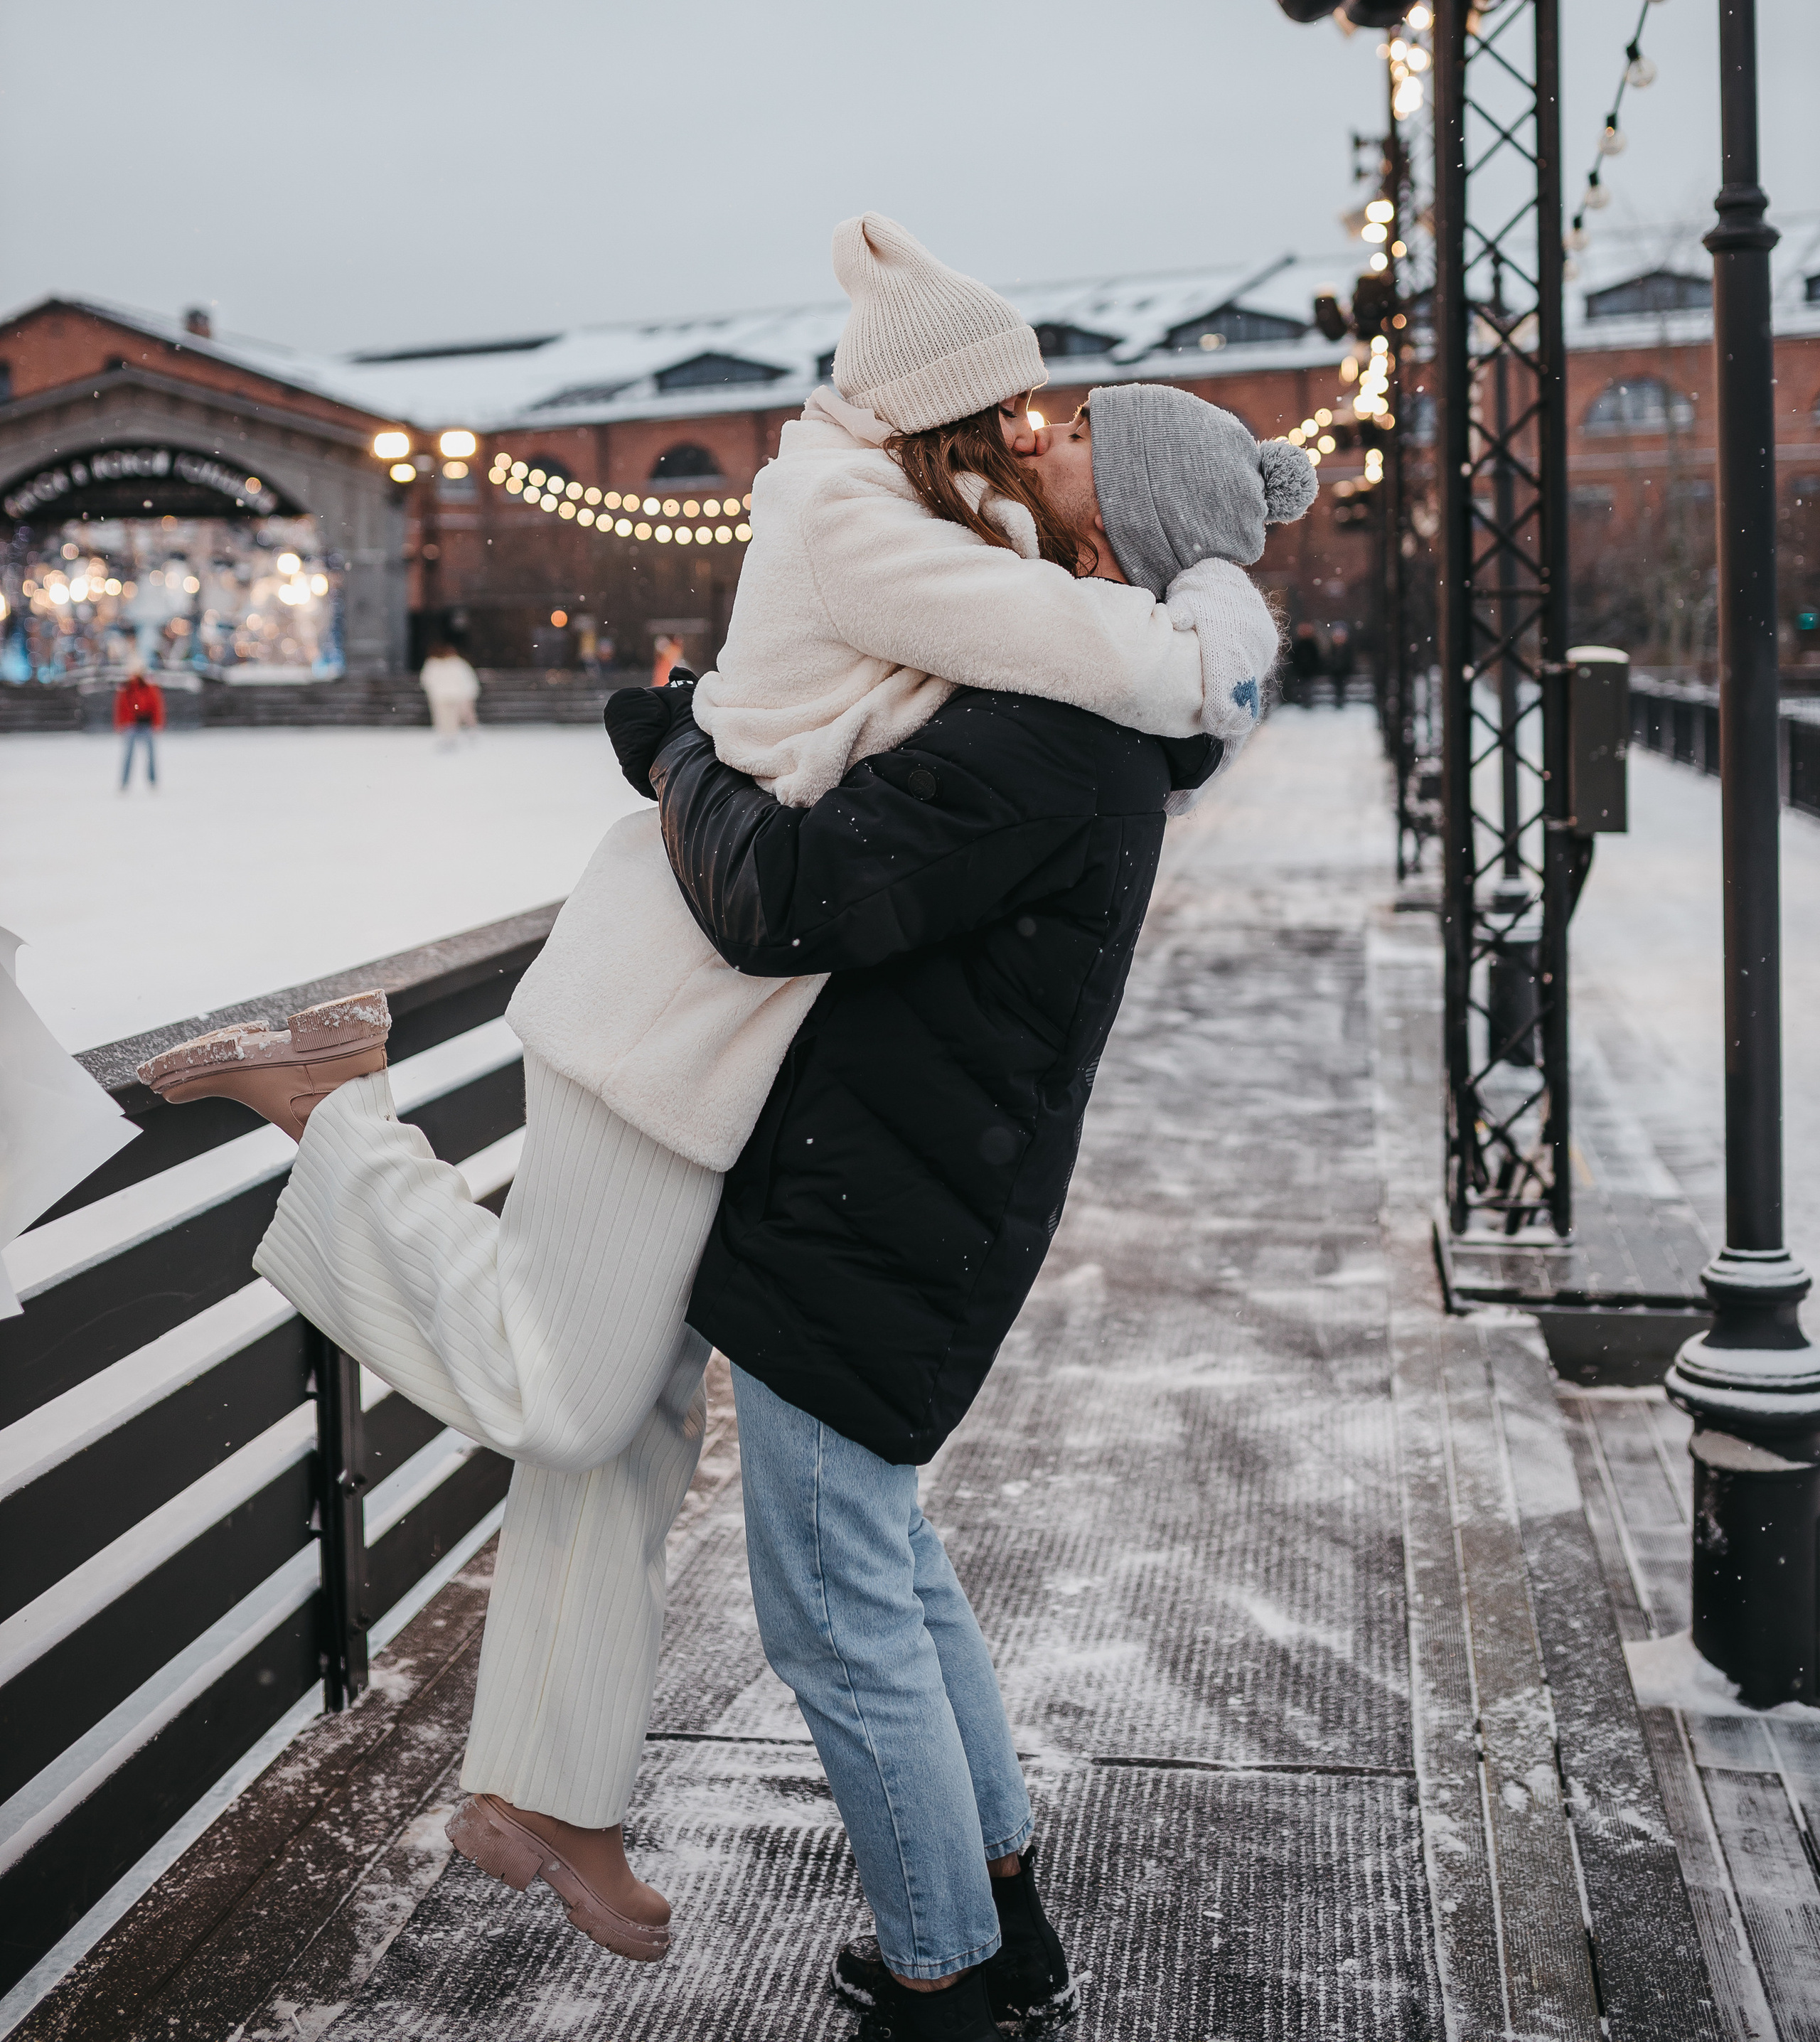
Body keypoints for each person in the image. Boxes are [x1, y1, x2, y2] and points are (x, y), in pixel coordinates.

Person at [139, 217, 1311, 1987]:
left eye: (1069, 431)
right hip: (743, 1084)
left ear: (1108, 525)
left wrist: (680, 739)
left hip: (842, 1162)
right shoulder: (988, 623)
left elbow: (793, 888)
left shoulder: (1051, 705)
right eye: (1024, 408)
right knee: (627, 1431)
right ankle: (904, 1907)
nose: (1042, 428)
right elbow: (821, 816)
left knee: (772, 1541)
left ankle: (922, 1947)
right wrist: (703, 732)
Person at [419, 641, 481, 747]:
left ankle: (450, 737)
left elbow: (467, 680)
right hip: (441, 696)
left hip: (452, 696)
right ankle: (446, 737)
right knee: (443, 718)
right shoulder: (434, 664)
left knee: (450, 718)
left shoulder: (457, 664)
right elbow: (426, 680)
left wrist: (468, 694)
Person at [114, 663, 164, 790]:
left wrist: (157, 722)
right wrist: (120, 723)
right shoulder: (126, 688)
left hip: (146, 724)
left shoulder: (148, 687)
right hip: (132, 724)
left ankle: (152, 780)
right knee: (129, 755)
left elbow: (155, 705)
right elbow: (121, 707)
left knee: (150, 755)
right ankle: (125, 782)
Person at [1286, 619, 1325, 707]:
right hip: (1301, 670)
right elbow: (1293, 656)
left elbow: (1316, 657)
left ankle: (1307, 702)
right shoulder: (1298, 643)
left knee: (1308, 687)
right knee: (1302, 687)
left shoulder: (1312, 643)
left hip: (1309, 671)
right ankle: (1303, 702)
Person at [1327, 619, 1355, 709]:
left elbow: (1349, 660)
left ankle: (1340, 701)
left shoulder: (1347, 649)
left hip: (1343, 670)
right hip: (1335, 671)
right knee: (1337, 687)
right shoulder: (1333, 648)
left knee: (1341, 687)